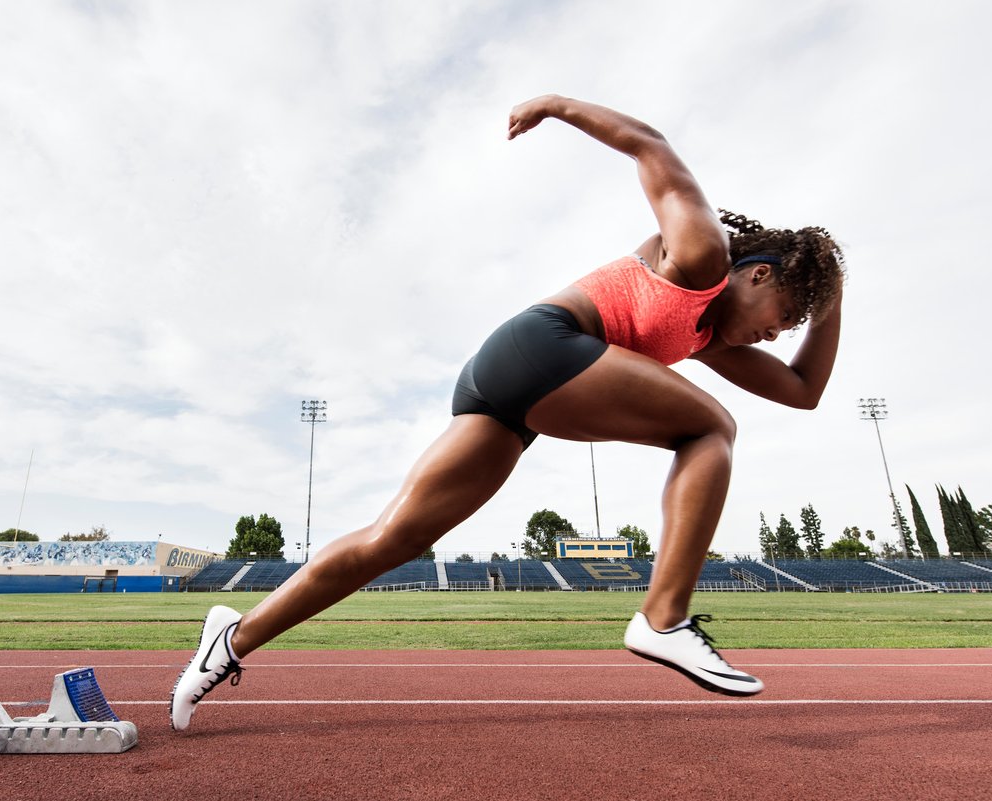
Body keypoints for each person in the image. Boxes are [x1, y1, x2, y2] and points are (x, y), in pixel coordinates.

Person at [171, 94, 844, 730]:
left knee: (391, 540)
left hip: (506, 393)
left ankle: (230, 639)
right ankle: (663, 619)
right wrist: (556, 105)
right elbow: (650, 146)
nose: (777, 335)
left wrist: (830, 297)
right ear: (758, 275)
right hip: (541, 345)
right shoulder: (703, 254)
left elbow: (801, 390)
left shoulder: (707, 337)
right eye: (785, 316)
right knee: (712, 427)